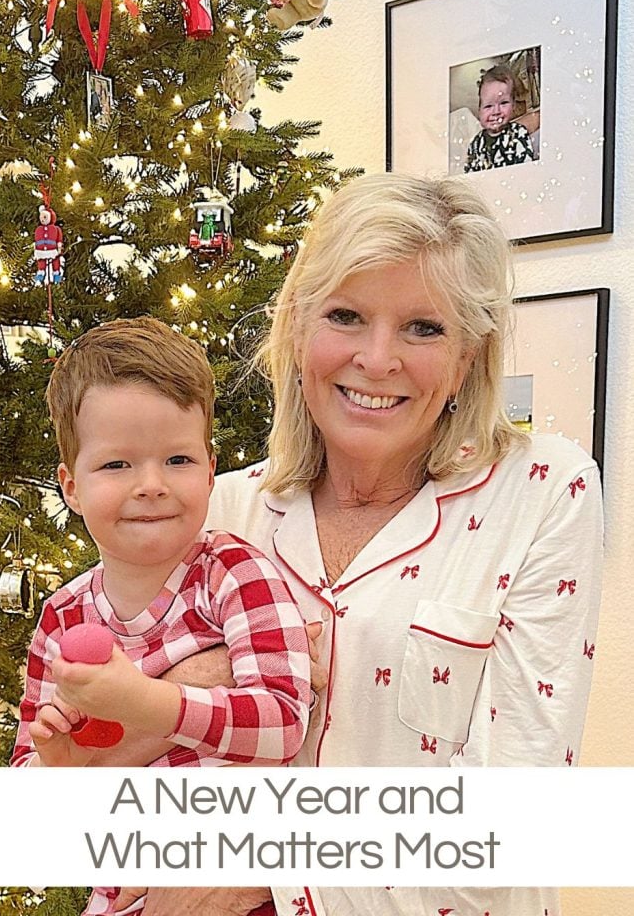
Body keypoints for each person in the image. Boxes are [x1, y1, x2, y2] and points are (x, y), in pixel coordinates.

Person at [101, 175, 603, 916]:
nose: (376, 358)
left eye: (423, 328)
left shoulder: (542, 493)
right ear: (298, 329)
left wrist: (255, 880)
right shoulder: (219, 511)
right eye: (346, 316)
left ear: (468, 355)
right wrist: (193, 680)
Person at [9, 317, 311, 916]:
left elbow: (283, 722)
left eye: (177, 459)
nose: (151, 485)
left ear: (210, 470)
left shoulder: (233, 574)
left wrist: (143, 702)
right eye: (116, 465)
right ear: (71, 486)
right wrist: (61, 768)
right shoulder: (62, 618)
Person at [464, 64, 535, 172]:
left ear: (513, 106)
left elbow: (526, 167)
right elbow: (469, 175)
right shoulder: (476, 143)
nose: (496, 112)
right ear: (479, 111)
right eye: (488, 106)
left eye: (503, 103)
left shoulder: (518, 133)